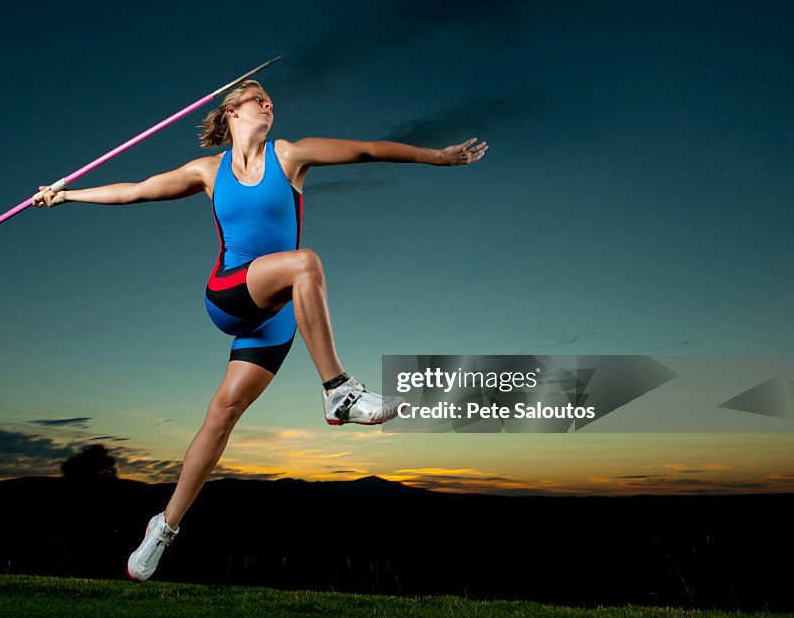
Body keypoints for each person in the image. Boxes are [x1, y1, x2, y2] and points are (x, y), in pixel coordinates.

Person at [33, 80, 487, 581]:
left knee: (222, 415)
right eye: (256, 97)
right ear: (231, 110)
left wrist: (436, 157)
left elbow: (368, 149)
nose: (268, 103)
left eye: (270, 99)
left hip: (279, 314)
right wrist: (65, 195)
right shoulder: (208, 171)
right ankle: (339, 391)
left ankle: (164, 527)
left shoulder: (290, 156)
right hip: (229, 294)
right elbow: (135, 191)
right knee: (305, 263)